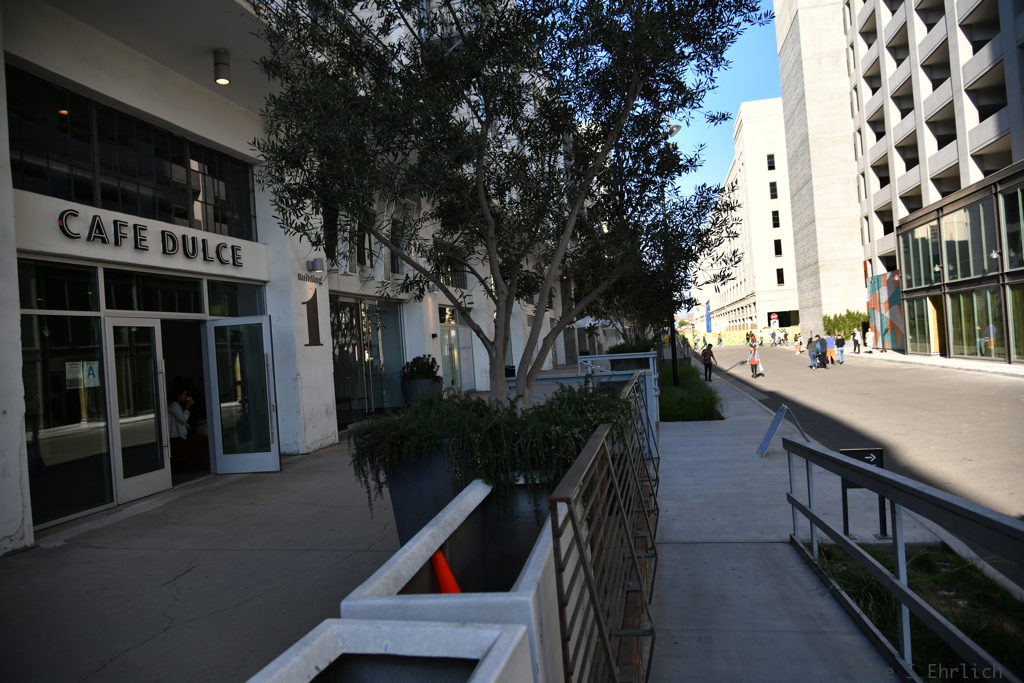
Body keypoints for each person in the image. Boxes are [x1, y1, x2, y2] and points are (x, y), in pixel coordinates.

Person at [168, 378, 194, 472]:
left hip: (177, 434)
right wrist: (187, 406)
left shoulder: (177, 405)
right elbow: (182, 419)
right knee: (177, 455)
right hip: (175, 435)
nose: (186, 396)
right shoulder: (174, 405)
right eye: (184, 394)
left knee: (179, 454)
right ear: (179, 395)